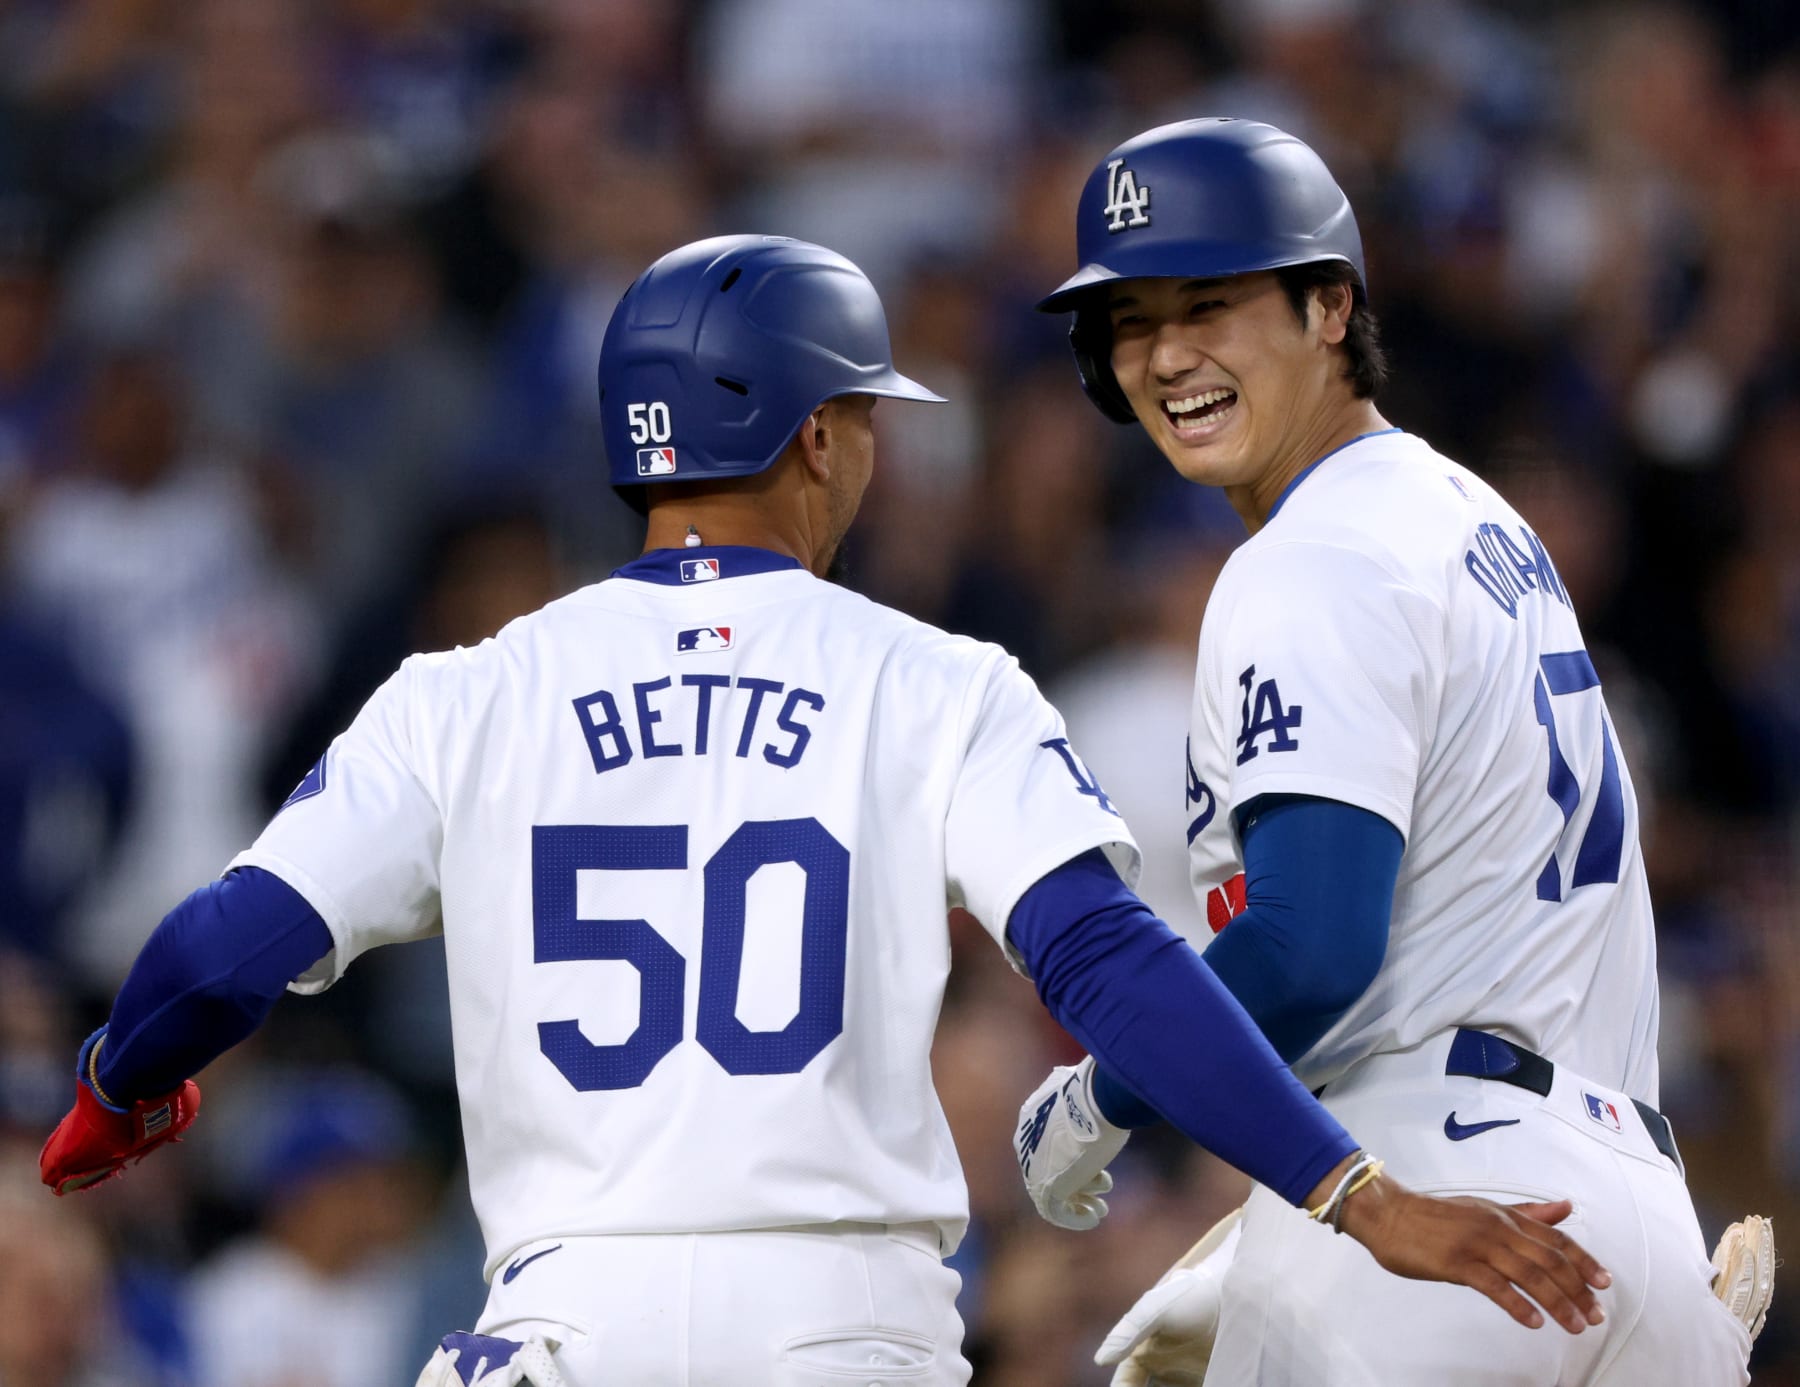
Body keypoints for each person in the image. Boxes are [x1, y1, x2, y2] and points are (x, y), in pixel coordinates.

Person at [40, 234, 1610, 1387]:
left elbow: (221, 949)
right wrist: (1353, 1187)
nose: (872, 441)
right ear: (811, 434)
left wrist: (121, 1085)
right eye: (863, 411)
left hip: (559, 1324)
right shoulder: (936, 681)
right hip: (844, 1330)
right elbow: (1112, 967)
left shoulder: (472, 690)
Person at [1016, 117, 1772, 1386]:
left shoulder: (1312, 554)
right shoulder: (1478, 520)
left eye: (1210, 302)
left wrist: (1103, 1095)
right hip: (1628, 1218)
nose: (1166, 354)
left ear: (1329, 307)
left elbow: (1312, 947)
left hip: (1439, 1216)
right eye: (1130, 321)